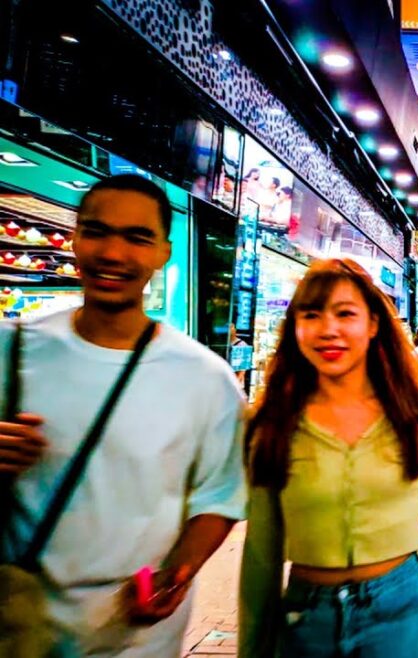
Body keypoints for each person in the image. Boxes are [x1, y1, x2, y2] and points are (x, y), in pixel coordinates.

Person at [0, 174, 246, 655]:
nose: (113, 254)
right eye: (97, 231)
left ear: (163, 253)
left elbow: (220, 496)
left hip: (135, 637)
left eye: (137, 238)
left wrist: (180, 572)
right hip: (18, 623)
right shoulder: (13, 349)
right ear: (75, 239)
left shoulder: (205, 378)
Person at [238, 259, 418, 658]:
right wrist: (252, 647)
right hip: (306, 617)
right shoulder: (270, 420)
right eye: (311, 315)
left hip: (399, 608)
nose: (329, 329)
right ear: (295, 327)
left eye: (345, 314)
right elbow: (262, 547)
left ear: (374, 324)